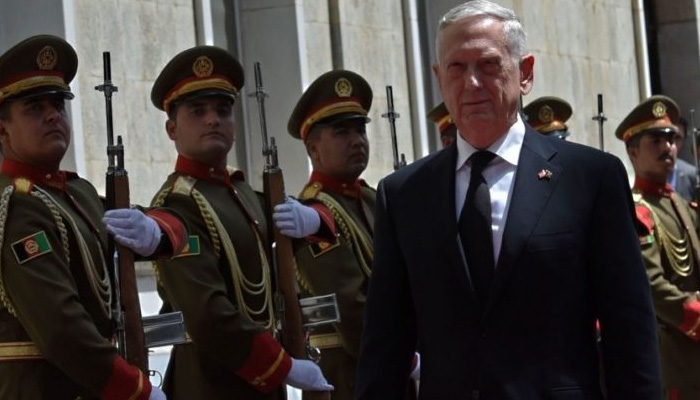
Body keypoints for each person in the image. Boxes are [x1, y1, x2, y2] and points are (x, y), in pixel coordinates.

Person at [354, 1, 662, 399]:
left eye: (488, 65)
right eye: (456, 68)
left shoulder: (590, 178)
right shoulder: (404, 194)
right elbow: (385, 344)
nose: (472, 83)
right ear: (439, 79)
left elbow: (629, 329)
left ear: (525, 73)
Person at [0, 35, 188, 400]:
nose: (53, 115)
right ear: (2, 129)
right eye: (34, 108)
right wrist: (136, 390)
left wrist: (154, 231)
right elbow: (61, 329)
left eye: (58, 105)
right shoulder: (15, 206)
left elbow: (179, 227)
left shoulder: (78, 194)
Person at [148, 45, 332, 400]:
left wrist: (313, 220)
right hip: (210, 382)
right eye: (197, 111)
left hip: (263, 380)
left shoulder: (242, 192)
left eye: (223, 110)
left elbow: (319, 227)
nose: (213, 120)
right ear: (172, 129)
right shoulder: (179, 203)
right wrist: (283, 367)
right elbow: (208, 314)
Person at [279, 69, 419, 400]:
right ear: (313, 149)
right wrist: (409, 359)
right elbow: (350, 304)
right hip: (351, 374)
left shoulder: (371, 198)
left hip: (393, 364)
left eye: (360, 130)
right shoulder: (313, 214)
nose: (356, 140)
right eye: (341, 132)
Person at [618, 95, 700, 400]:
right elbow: (649, 283)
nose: (668, 147)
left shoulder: (680, 204)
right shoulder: (638, 211)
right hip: (674, 355)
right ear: (633, 151)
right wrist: (694, 315)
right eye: (656, 140)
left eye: (671, 139)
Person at [668, 116, 697, 201]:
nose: (672, 144)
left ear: (684, 141)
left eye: (677, 138)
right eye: (668, 136)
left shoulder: (693, 175)